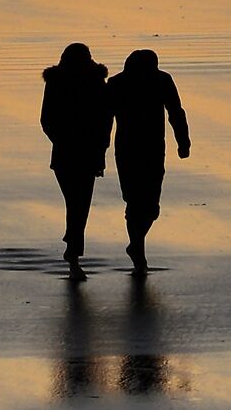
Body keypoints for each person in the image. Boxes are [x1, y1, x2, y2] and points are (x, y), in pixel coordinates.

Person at [106, 48, 190, 272]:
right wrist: (100, 150)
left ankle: (136, 243)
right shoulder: (117, 83)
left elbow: (176, 112)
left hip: (152, 149)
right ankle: (138, 251)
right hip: (128, 149)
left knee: (150, 206)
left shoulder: (162, 80)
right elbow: (105, 120)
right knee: (134, 201)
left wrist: (183, 141)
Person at [40, 42, 112, 269]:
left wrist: (61, 140)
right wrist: (101, 145)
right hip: (85, 150)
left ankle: (73, 248)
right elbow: (105, 119)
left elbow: (47, 119)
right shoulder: (95, 81)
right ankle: (73, 247)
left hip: (71, 151)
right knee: (79, 202)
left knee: (75, 201)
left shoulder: (57, 81)